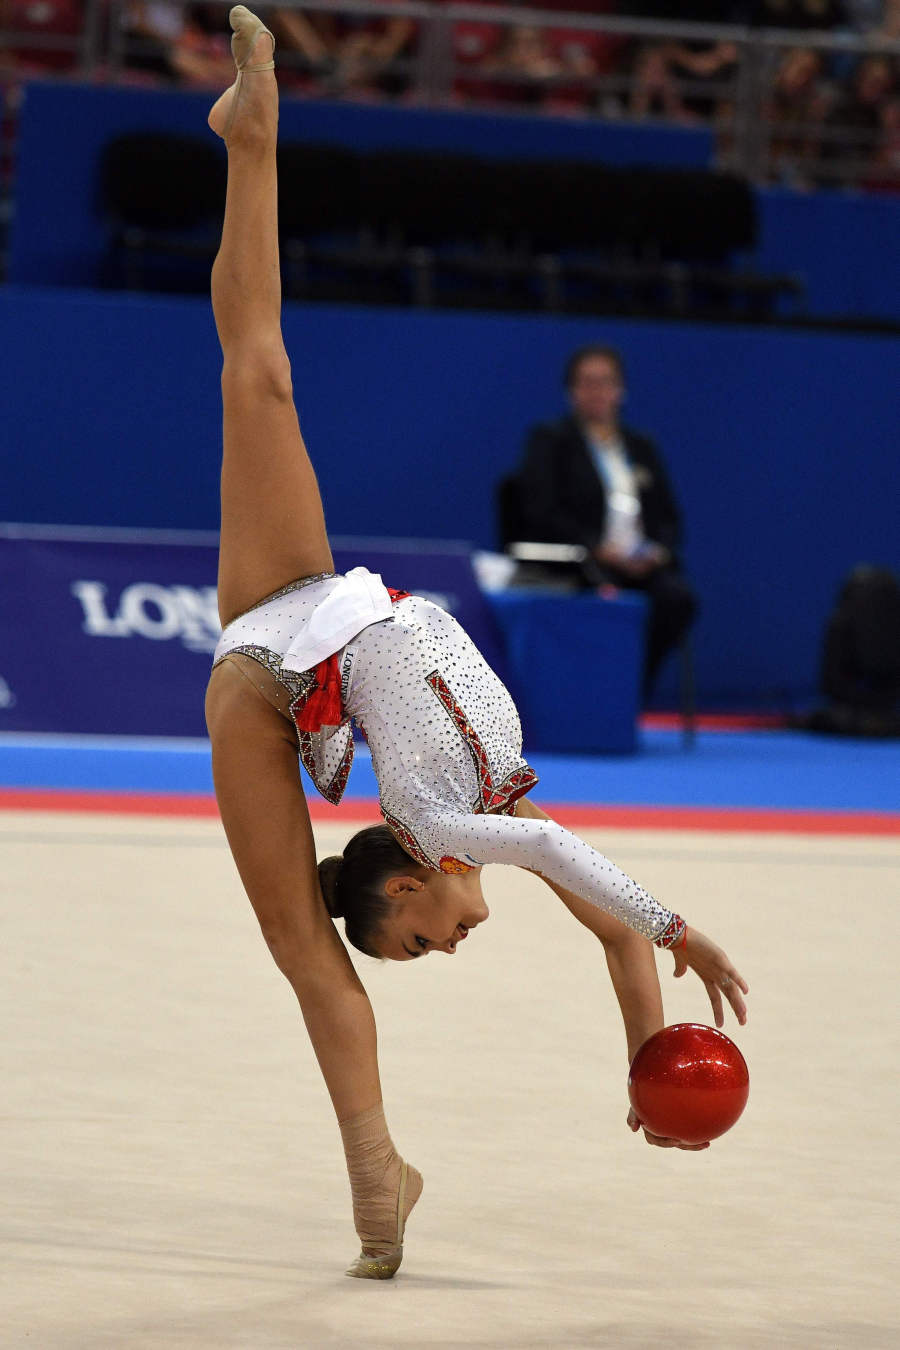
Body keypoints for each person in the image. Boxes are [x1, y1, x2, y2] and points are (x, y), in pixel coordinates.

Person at [204, 8, 749, 1283]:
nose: (445, 950)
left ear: (405, 885)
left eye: (416, 942)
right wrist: (650, 1040)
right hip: (303, 614)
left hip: (265, 663)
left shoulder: (438, 812)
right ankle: (252, 133)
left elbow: (587, 886)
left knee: (305, 956)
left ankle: (370, 1183)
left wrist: (675, 949)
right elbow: (604, 916)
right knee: (259, 372)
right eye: (430, 951)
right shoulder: (476, 814)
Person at [517, 344, 697, 701]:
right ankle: (587, 697)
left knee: (677, 599)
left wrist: (657, 553)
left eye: (606, 382)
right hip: (583, 563)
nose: (598, 391)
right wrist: (596, 549)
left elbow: (668, 517)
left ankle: (630, 692)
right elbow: (539, 511)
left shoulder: (641, 446)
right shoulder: (552, 441)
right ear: (572, 391)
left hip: (640, 565)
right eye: (588, 382)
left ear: (621, 390)